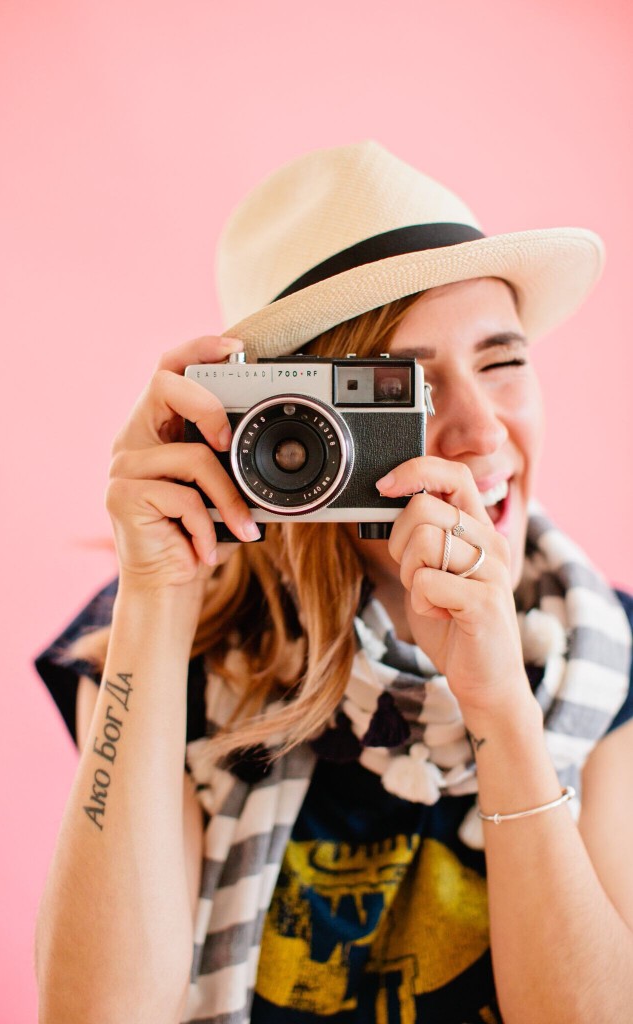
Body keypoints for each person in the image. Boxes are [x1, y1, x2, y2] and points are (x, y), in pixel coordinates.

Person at [34, 141, 633, 1024]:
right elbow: (98, 1013)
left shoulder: (600, 653)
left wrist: (500, 703)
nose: (477, 431)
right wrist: (155, 596)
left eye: (503, 362)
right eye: (409, 389)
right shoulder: (179, 637)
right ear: (298, 424)